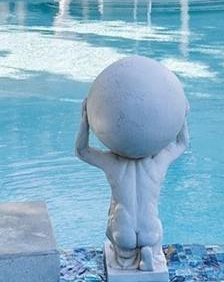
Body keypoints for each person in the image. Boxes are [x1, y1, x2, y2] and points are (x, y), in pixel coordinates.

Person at [74, 101, 188, 272]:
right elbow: (182, 143)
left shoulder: (112, 163)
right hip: (150, 229)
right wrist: (182, 115)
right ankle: (151, 252)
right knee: (154, 226)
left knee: (113, 224)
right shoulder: (159, 161)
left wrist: (85, 121)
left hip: (123, 231)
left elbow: (82, 150)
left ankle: (125, 257)